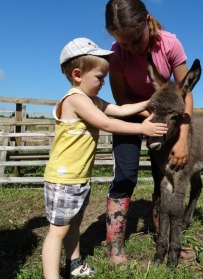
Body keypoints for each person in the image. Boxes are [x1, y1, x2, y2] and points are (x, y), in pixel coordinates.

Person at [41, 37, 168, 279]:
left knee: (74, 225)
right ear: (78, 74)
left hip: (79, 178)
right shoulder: (75, 100)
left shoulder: (93, 101)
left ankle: (74, 262)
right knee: (57, 231)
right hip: (63, 179)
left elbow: (119, 110)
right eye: (99, 78)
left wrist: (149, 102)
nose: (103, 83)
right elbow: (108, 123)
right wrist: (142, 129)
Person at [105, 0, 196, 266]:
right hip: (132, 115)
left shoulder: (170, 44)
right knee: (126, 174)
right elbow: (122, 99)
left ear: (147, 21)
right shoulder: (117, 53)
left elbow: (186, 94)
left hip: (167, 118)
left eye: (136, 40)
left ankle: (165, 240)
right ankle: (115, 245)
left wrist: (182, 137)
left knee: (164, 177)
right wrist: (147, 121)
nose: (131, 48)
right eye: (124, 43)